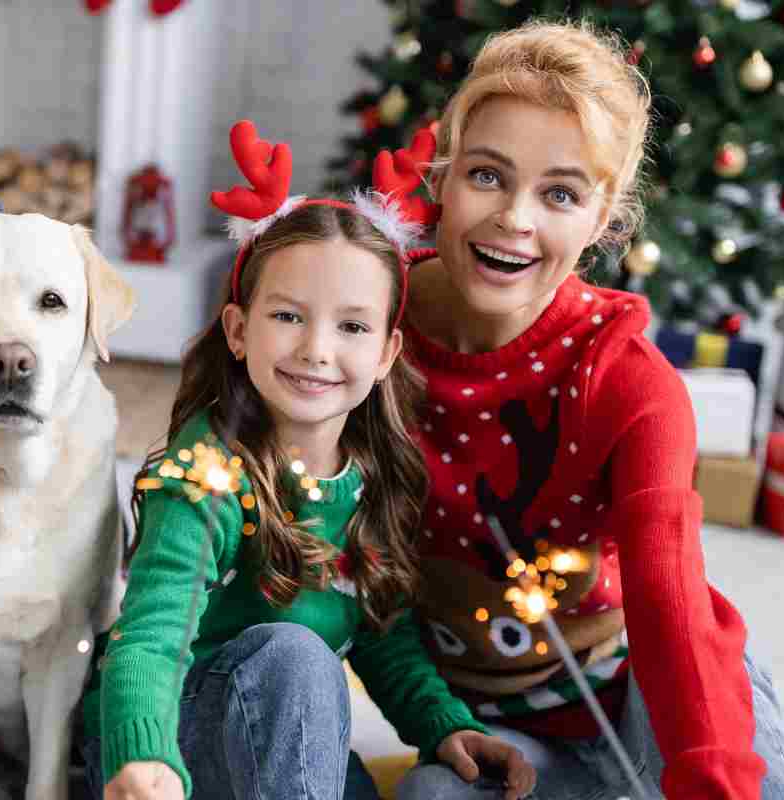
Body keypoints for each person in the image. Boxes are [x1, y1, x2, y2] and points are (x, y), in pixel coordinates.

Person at [391, 20, 784, 800]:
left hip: (639, 684)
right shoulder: (368, 329)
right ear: (441, 176)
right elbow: (274, 318)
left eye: (560, 193)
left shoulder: (629, 380)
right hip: (494, 724)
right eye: (487, 175)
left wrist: (710, 775)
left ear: (603, 218)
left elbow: (672, 603)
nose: (516, 218)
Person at [79, 120, 537, 800]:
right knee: (299, 658)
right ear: (238, 330)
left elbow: (379, 630)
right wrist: (143, 756)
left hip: (279, 729)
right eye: (289, 316)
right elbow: (151, 639)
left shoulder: (375, 475)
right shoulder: (206, 474)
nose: (317, 350)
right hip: (163, 745)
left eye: (351, 326)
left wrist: (441, 723)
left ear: (385, 354)